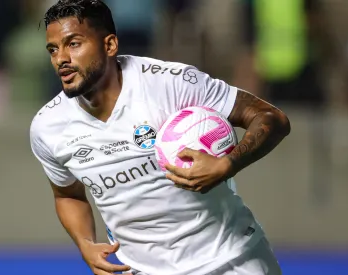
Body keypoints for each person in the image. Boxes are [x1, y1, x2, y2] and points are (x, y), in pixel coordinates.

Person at [30, 1, 290, 274]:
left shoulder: (172, 84)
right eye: (53, 49)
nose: (61, 59)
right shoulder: (48, 127)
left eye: (73, 44)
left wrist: (228, 164)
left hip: (231, 260)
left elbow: (271, 118)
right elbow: (67, 194)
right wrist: (85, 243)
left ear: (109, 45)